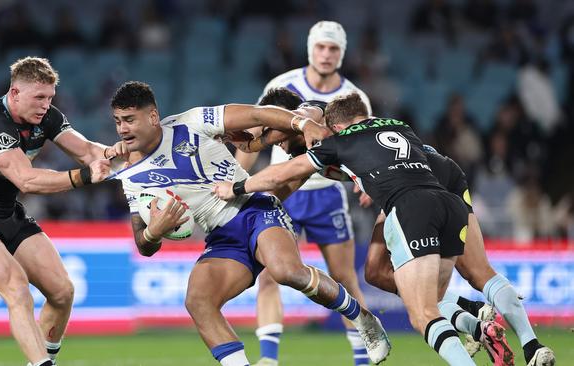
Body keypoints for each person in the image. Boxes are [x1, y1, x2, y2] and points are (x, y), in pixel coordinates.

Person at [108, 81, 391, 366]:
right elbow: (142, 244)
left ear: (153, 116)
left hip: (254, 210)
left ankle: (362, 318)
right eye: (118, 121)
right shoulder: (131, 176)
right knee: (198, 301)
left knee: (285, 271)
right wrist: (155, 231)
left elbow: (258, 115)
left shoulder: (191, 123)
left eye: (130, 120)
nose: (122, 129)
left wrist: (303, 125)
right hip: (221, 237)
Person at [232, 95, 519, 366]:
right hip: (411, 189)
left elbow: (299, 133)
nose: (278, 148)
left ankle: (455, 322)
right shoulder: (308, 151)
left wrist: (254, 151)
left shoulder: (313, 121)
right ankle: (475, 322)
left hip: (411, 191)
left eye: (277, 138)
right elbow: (286, 183)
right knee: (375, 273)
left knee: (420, 311)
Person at [0, 57, 124, 366]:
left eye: (50, 97)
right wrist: (82, 177)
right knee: (17, 289)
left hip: (7, 213)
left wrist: (115, 153)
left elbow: (87, 151)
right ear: (14, 93)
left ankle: (39, 361)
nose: (45, 105)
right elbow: (26, 180)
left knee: (63, 292)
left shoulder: (47, 117)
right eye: (39, 97)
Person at [235, 21, 372, 366]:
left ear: (342, 53)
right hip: (283, 191)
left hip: (328, 192)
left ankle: (362, 357)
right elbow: (255, 132)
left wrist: (369, 182)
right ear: (310, 49)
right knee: (268, 275)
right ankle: (269, 360)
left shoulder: (354, 98)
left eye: (333, 49)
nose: (326, 55)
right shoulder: (282, 86)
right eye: (321, 47)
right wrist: (238, 175)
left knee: (344, 278)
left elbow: (365, 148)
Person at [364, 145, 555, 366]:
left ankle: (472, 313)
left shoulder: (339, 140)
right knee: (480, 272)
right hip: (444, 169)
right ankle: (532, 346)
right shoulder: (388, 131)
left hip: (409, 184)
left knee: (382, 275)